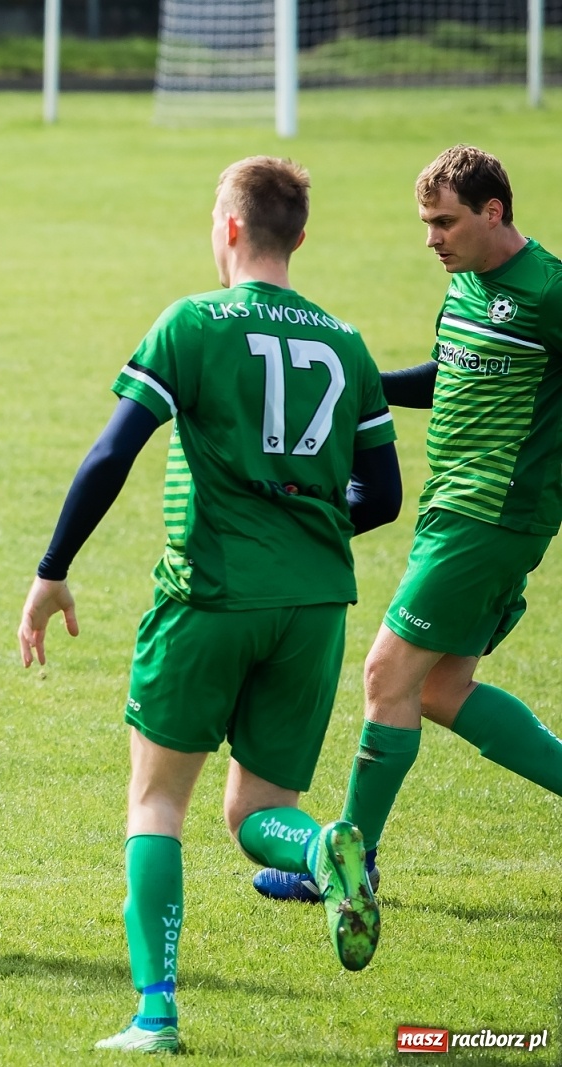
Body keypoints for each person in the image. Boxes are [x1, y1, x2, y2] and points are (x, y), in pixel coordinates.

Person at [19, 157, 400, 1054]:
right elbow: (380, 495)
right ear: (297, 236)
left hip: (210, 593)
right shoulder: (346, 342)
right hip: (313, 603)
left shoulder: (192, 322)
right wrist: (299, 514)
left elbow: (113, 452)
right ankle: (318, 853)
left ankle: (155, 1013)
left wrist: (52, 568)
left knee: (157, 804)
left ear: (228, 228)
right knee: (254, 813)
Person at [255, 145, 562, 904]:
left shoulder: (550, 290)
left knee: (387, 674)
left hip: (490, 516)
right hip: (449, 511)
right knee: (439, 688)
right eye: (426, 223)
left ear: (495, 212)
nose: (433, 239)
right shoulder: (464, 284)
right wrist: (365, 382)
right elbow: (448, 371)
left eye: (445, 222)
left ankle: (349, 866)